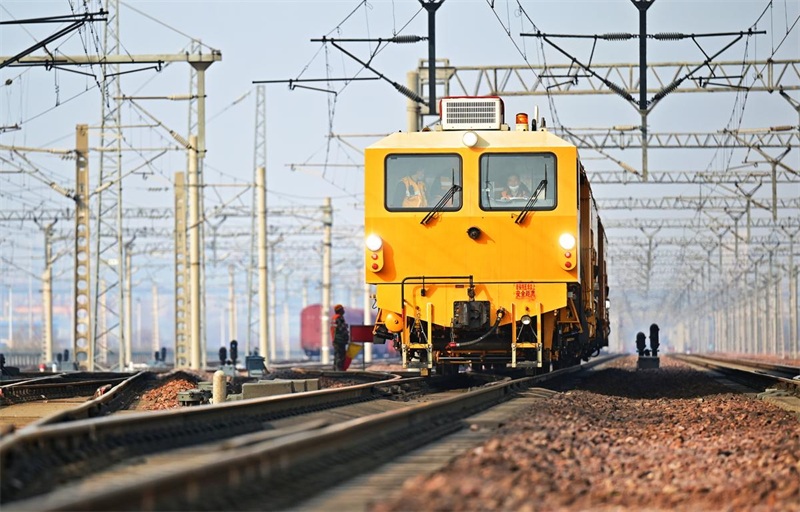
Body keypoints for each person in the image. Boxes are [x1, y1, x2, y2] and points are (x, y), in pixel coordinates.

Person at [331, 304, 349, 370]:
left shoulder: (334, 318)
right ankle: (339, 370)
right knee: (341, 356)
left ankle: (335, 369)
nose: (344, 311)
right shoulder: (339, 318)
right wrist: (346, 338)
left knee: (337, 355)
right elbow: (342, 329)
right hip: (340, 340)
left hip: (335, 339)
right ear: (340, 310)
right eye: (342, 309)